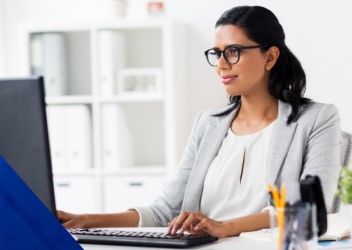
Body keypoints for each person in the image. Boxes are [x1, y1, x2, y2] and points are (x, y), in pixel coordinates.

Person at [56, 5, 341, 238]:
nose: (220, 64)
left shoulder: (316, 119)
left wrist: (223, 227)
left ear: (270, 56)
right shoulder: (208, 124)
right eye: (217, 53)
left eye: (233, 52)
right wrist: (85, 219)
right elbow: (166, 211)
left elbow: (309, 210)